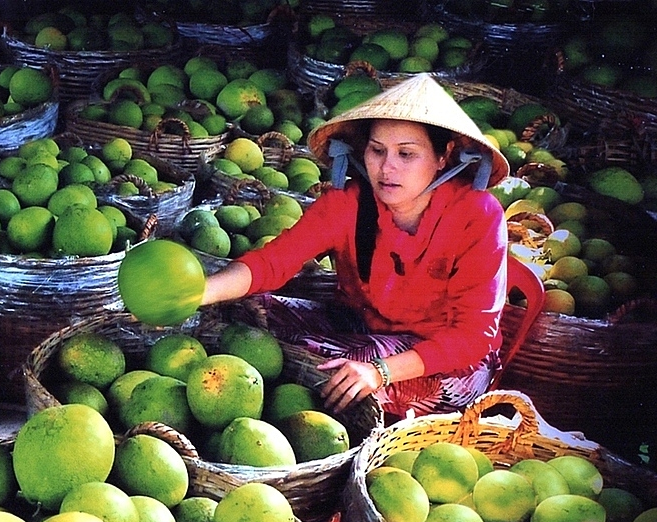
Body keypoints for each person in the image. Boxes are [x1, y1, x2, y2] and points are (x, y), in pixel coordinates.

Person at [200, 74, 511, 421]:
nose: (387, 167)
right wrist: (196, 292)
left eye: (406, 154)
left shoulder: (478, 217)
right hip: (361, 328)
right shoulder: (349, 204)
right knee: (245, 312)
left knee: (342, 375)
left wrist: (380, 371)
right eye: (377, 150)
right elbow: (272, 263)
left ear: (443, 156)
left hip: (444, 360)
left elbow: (472, 338)